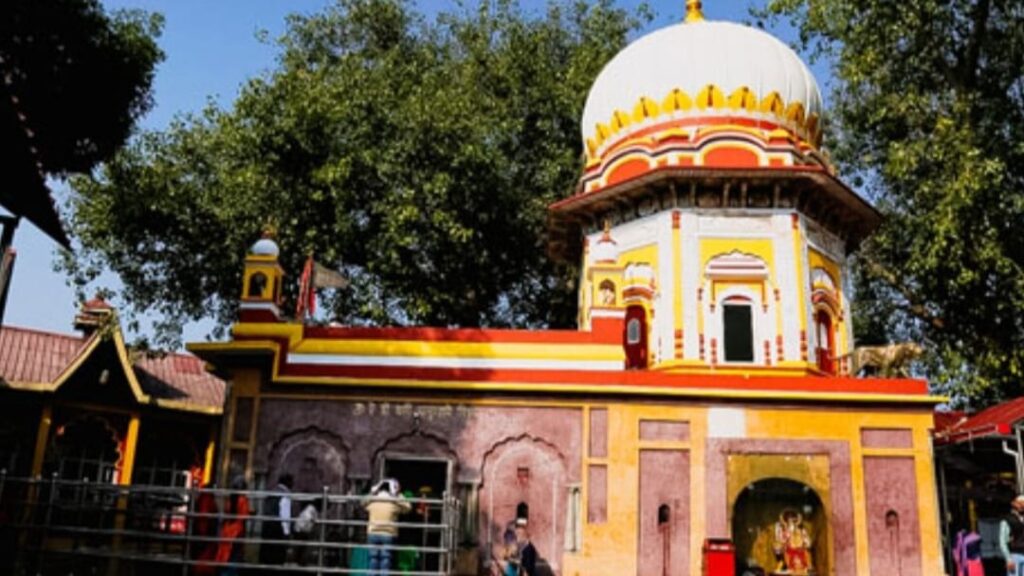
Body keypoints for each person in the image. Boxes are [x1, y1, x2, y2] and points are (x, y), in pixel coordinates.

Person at [363, 478, 411, 576]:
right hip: (388, 534)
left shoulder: (373, 501)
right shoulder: (393, 503)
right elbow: (408, 507)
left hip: (373, 533)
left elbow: (362, 503)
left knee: (373, 559)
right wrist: (397, 495)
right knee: (386, 560)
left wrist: (372, 493)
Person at [215, 477, 251, 576]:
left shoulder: (230, 499)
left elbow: (227, 511)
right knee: (234, 556)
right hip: (237, 531)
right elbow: (244, 516)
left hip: (227, 530)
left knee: (225, 555)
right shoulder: (243, 499)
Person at [259, 473, 293, 568]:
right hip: (277, 529)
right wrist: (287, 534)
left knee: (266, 555)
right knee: (277, 557)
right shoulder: (285, 495)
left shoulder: (272, 492)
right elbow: (285, 516)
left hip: (267, 526)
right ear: (287, 482)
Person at [1000, 495, 1024, 575]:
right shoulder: (1007, 520)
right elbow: (1002, 541)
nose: (1022, 506)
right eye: (1020, 504)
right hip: (1014, 555)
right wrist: (1008, 559)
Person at [293, 499, 321, 566]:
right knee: (302, 547)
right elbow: (308, 518)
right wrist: (314, 521)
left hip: (302, 529)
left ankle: (300, 561)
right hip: (301, 530)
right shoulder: (311, 509)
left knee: (302, 547)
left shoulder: (311, 509)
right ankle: (300, 561)